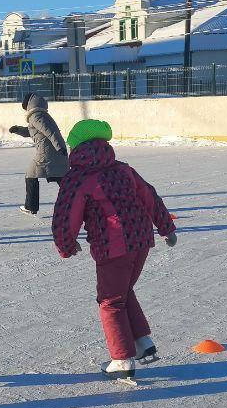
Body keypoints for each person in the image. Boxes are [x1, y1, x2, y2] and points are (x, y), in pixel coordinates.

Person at [51, 119, 177, 382]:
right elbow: (149, 196)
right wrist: (166, 227)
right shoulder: (123, 169)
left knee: (110, 301)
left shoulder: (78, 177)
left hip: (113, 246)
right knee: (123, 291)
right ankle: (143, 342)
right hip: (141, 240)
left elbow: (67, 213)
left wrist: (65, 244)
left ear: (75, 148)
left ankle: (121, 359)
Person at [8, 93, 68, 215]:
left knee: (31, 175)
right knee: (62, 179)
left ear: (29, 104)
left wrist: (60, 147)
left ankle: (30, 207)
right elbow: (33, 131)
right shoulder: (39, 116)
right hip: (53, 152)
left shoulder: (36, 116)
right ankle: (77, 202)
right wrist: (18, 130)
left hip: (47, 153)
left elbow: (52, 132)